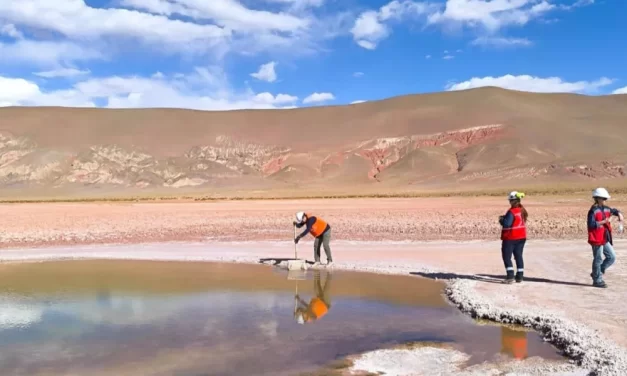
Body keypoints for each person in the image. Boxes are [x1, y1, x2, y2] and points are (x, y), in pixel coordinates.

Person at [587, 187, 624, 288]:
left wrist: (619, 214)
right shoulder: (593, 211)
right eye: (603, 198)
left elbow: (614, 210)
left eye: (605, 199)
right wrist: (604, 221)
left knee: (611, 257)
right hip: (596, 238)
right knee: (598, 259)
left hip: (604, 237)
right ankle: (597, 280)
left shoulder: (606, 208)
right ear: (597, 198)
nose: (604, 200)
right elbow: (591, 224)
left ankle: (596, 272)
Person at [499, 191, 528, 284]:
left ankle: (510, 276)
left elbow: (507, 224)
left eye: (510, 200)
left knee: (507, 257)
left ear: (512, 201)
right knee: (518, 256)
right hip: (521, 237)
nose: (509, 202)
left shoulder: (512, 211)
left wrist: (502, 220)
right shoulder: (522, 210)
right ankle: (520, 276)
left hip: (511, 237)